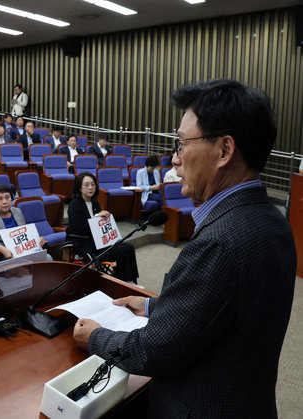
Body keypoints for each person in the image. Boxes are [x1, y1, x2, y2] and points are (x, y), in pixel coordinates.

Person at [72, 79, 296, 417]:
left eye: (181, 144)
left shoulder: (219, 242)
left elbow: (153, 352)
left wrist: (96, 337)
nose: (174, 160)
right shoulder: (274, 220)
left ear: (224, 151)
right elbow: (224, 308)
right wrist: (152, 307)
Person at [67, 172, 139, 283]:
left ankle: (131, 280)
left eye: (93, 184)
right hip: (85, 243)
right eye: (86, 185)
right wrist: (96, 217)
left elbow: (99, 226)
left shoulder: (95, 203)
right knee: (123, 251)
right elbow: (79, 229)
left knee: (128, 247)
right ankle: (122, 281)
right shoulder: (74, 206)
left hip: (99, 241)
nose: (90, 187)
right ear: (79, 188)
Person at [0, 184, 49, 260]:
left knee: (48, 258)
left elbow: (25, 233)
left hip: (24, 250)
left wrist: (37, 238)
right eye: (0, 199)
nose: (4, 202)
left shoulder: (17, 211)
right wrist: (2, 249)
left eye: (7, 197)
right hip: (6, 253)